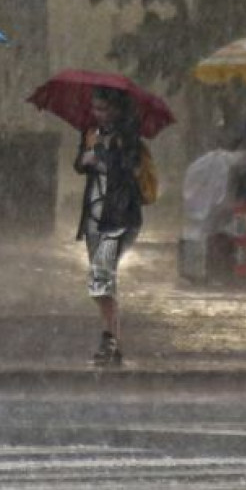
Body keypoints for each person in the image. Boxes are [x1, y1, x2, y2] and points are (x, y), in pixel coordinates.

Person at [74, 87, 145, 367]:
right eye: (95, 109)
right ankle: (112, 338)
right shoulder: (91, 133)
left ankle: (110, 338)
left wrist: (101, 157)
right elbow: (78, 165)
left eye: (103, 109)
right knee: (100, 278)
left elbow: (127, 168)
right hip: (94, 217)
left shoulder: (127, 137)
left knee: (101, 276)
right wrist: (86, 156)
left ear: (116, 110)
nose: (98, 114)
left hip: (119, 217)